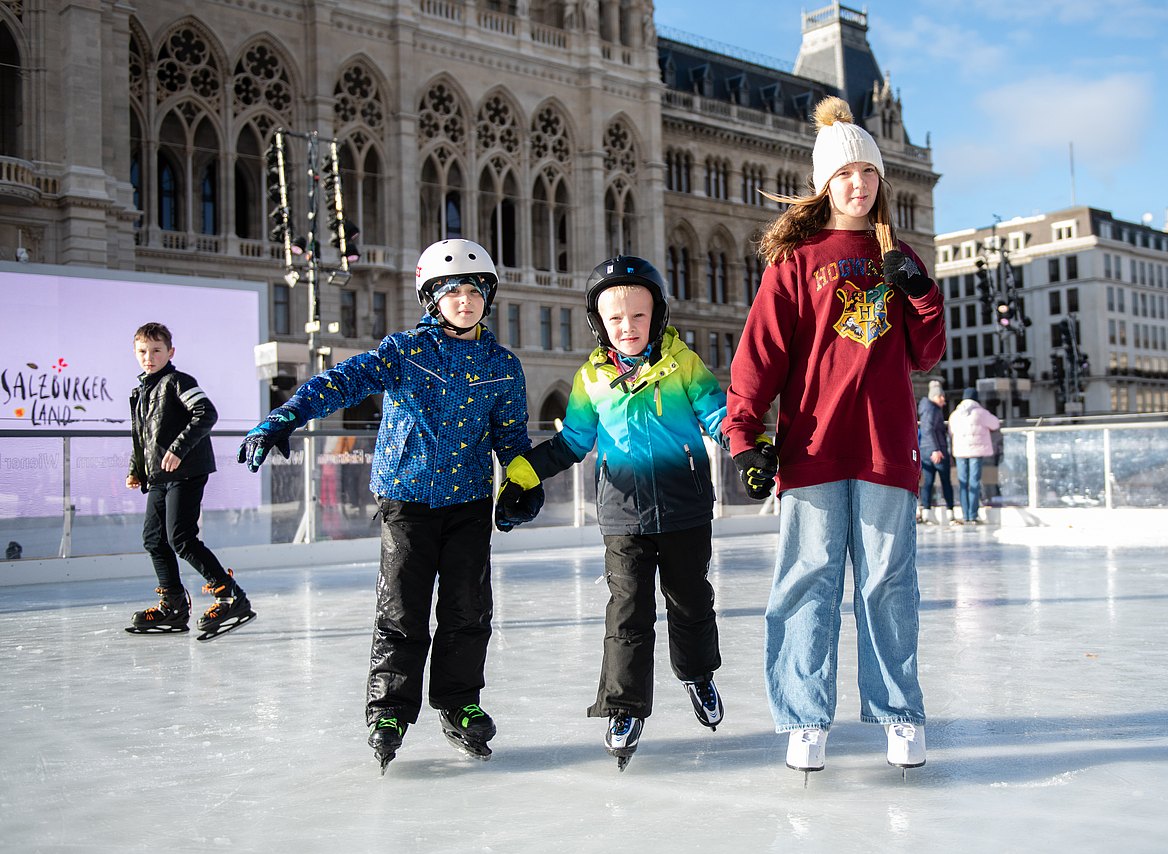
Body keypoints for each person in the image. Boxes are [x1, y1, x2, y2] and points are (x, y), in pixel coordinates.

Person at [237, 239, 532, 772]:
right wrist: (286, 416)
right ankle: (390, 708)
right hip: (407, 500)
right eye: (452, 291)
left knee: (468, 610)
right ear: (431, 298)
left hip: (467, 502)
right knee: (401, 610)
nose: (464, 300)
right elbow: (341, 383)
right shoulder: (405, 352)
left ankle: (459, 701)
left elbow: (509, 437)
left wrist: (521, 482)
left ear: (488, 296)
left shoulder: (503, 366)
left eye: (474, 290)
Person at [724, 96, 945, 779]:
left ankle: (899, 712)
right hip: (813, 449)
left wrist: (921, 294)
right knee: (806, 584)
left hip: (885, 449)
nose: (858, 184)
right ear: (826, 183)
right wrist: (744, 435)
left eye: (868, 173)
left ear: (881, 183)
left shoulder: (897, 256)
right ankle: (803, 717)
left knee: (887, 584)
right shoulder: (797, 260)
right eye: (845, 173)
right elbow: (760, 355)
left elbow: (927, 353)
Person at [493, 256, 731, 770]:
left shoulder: (683, 363)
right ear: (599, 324)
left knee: (690, 600)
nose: (628, 327)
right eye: (616, 319)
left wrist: (751, 449)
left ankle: (697, 673)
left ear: (658, 316)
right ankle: (623, 707)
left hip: (685, 507)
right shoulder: (591, 379)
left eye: (639, 316)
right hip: (623, 514)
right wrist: (521, 476)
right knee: (628, 611)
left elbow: (718, 414)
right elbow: (573, 441)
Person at [126, 322, 252, 637]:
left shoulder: (178, 381)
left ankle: (230, 595)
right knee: (154, 539)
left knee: (180, 537)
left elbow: (206, 413)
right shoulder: (140, 391)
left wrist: (179, 449)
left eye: (156, 350)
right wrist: (136, 468)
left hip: (186, 470)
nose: (149, 357)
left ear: (170, 352)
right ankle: (173, 605)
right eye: (143, 351)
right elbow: (142, 438)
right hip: (158, 476)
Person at [948, 388, 1001, 525]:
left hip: (960, 451)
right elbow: (995, 423)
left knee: (963, 482)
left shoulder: (955, 414)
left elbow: (951, 430)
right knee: (974, 482)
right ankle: (973, 515)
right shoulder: (980, 412)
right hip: (976, 451)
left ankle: (965, 514)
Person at [917, 380, 959, 526]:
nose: (944, 401)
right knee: (945, 483)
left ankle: (927, 513)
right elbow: (928, 430)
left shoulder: (928, 408)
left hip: (927, 450)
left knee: (928, 483)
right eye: (941, 397)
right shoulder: (932, 410)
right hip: (936, 452)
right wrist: (936, 449)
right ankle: (949, 513)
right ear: (935, 396)